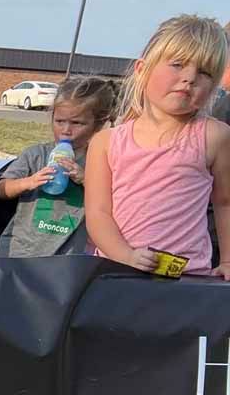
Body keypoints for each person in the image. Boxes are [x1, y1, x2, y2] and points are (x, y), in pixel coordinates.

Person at [85, 15, 230, 277]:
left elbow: (225, 203)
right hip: (115, 274)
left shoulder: (215, 136)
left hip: (188, 280)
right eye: (177, 64)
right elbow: (98, 213)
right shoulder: (105, 143)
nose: (189, 78)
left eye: (204, 72)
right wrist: (126, 256)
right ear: (142, 69)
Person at [0, 77, 118, 257]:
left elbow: (115, 200)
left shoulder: (100, 161)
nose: (66, 130)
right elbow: (2, 189)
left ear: (98, 124)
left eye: (77, 123)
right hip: (21, 252)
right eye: (60, 121)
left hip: (68, 257)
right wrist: (29, 182)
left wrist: (86, 179)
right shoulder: (36, 154)